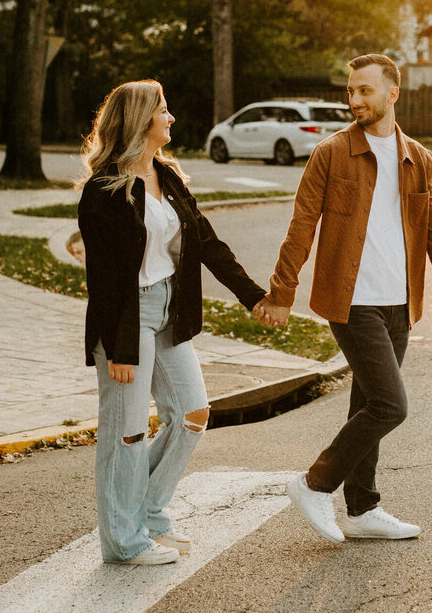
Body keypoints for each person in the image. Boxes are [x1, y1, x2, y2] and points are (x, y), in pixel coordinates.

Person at [253, 53, 432, 544]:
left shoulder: (418, 158)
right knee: (391, 406)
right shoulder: (330, 154)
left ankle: (362, 508)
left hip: (400, 303)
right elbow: (301, 228)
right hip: (351, 301)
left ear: (392, 93)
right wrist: (281, 292)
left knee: (368, 403)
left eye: (365, 91)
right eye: (350, 91)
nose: (354, 100)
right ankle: (314, 484)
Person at [77, 80, 266, 565]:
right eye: (164, 110)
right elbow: (105, 280)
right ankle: (124, 540)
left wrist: (255, 298)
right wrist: (120, 348)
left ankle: (150, 514)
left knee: (193, 414)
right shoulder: (104, 192)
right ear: (141, 121)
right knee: (127, 432)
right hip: (127, 316)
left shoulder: (169, 177)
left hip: (168, 311)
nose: (171, 118)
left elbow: (207, 244)